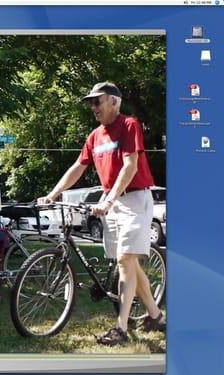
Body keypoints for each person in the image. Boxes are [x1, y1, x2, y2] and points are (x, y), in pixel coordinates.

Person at [37, 82, 166, 346]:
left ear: (114, 102)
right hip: (113, 203)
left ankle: (120, 328)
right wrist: (52, 194)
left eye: (98, 101)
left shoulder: (129, 125)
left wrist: (107, 200)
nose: (93, 107)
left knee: (124, 261)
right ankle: (155, 315)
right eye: (91, 102)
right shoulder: (95, 136)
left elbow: (129, 167)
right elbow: (77, 167)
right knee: (128, 262)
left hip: (134, 199)